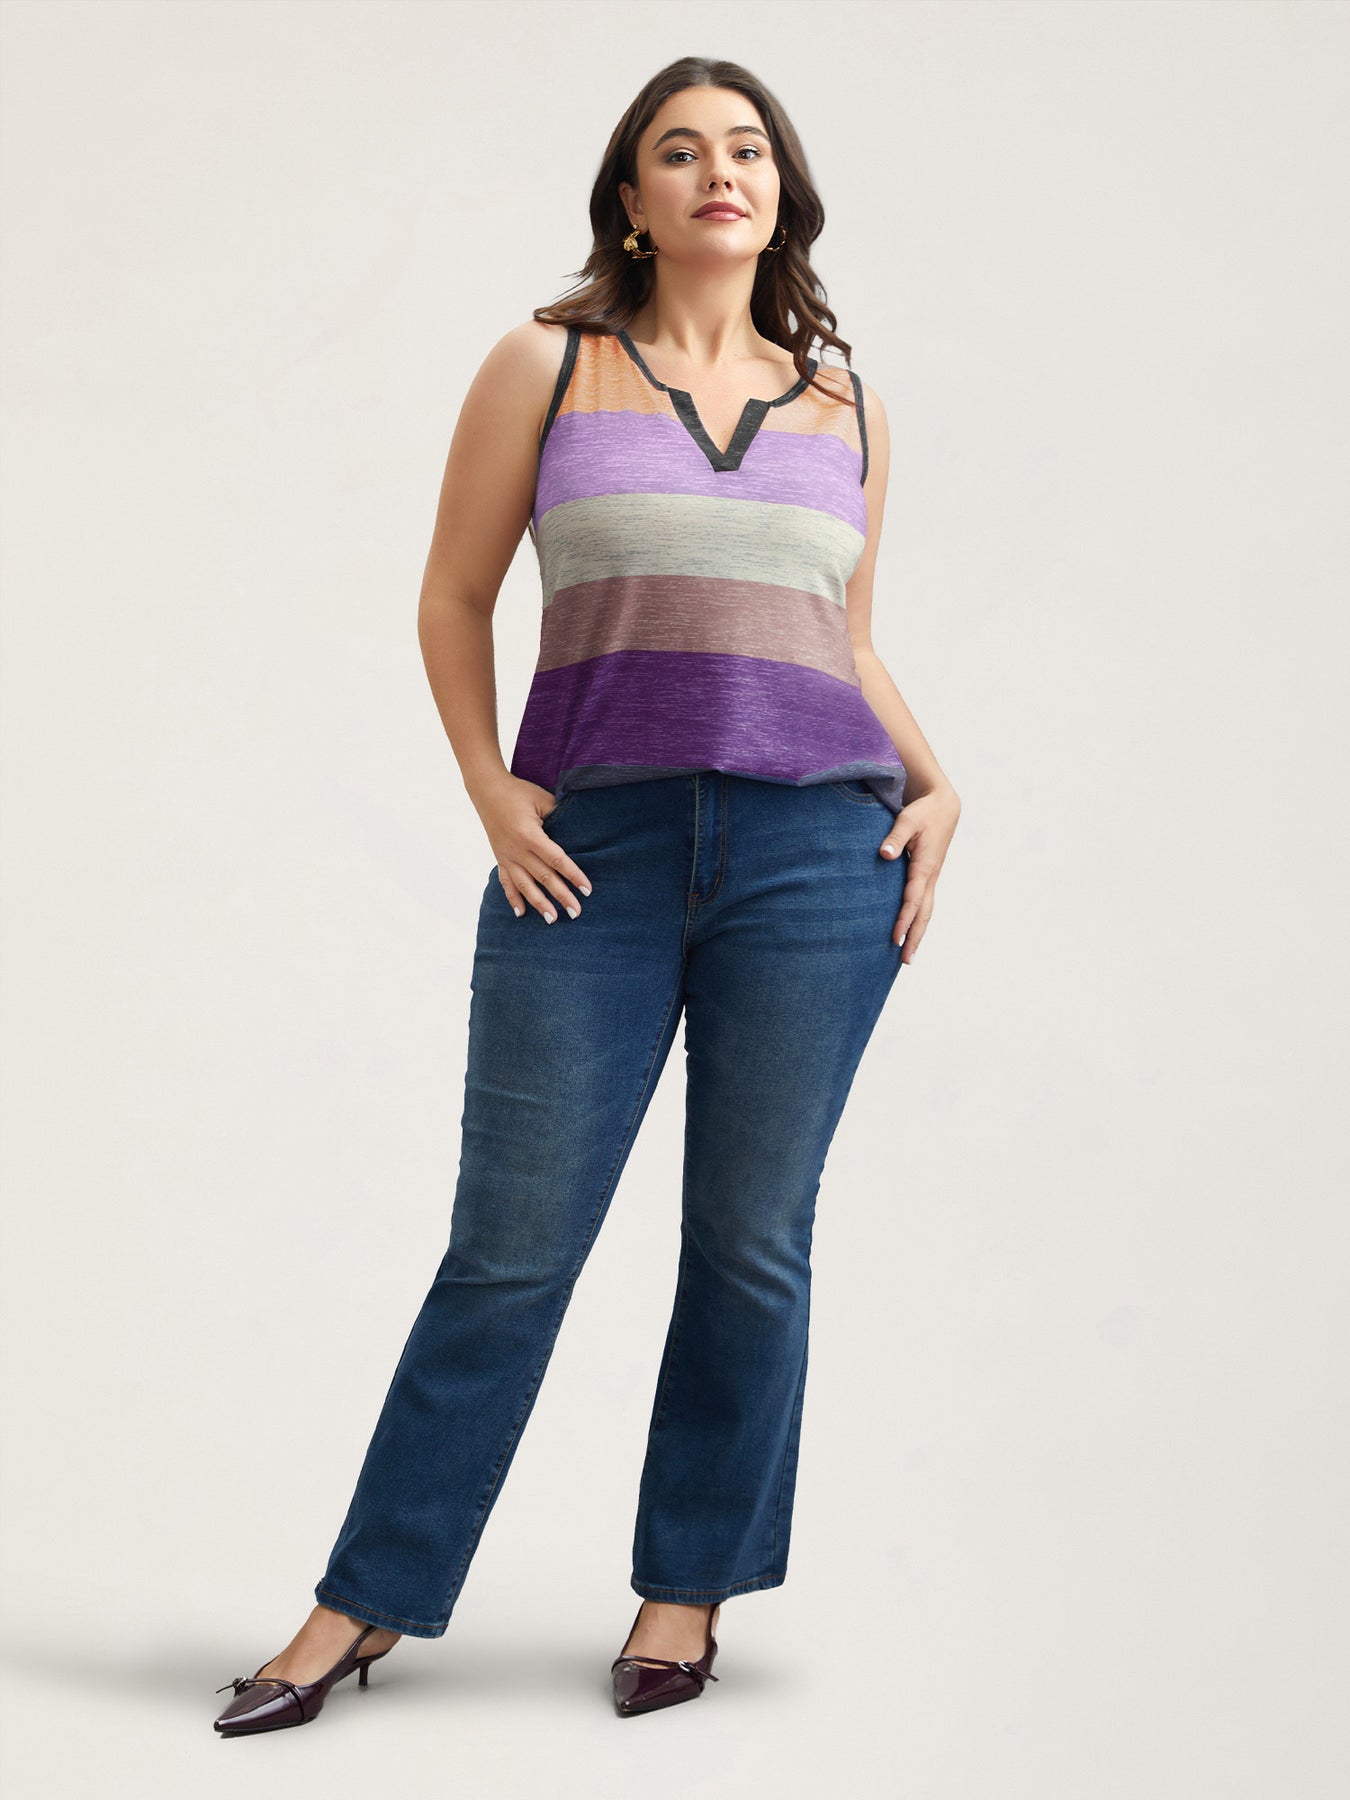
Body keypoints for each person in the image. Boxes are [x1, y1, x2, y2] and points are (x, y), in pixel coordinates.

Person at [213, 54, 961, 1736]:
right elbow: (452, 594)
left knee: (751, 1244)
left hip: (811, 861)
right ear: (630, 200)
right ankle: (362, 1602)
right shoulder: (545, 365)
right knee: (510, 1247)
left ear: (781, 192)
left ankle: (685, 1593)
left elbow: (842, 640)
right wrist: (491, 790)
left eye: (745, 148)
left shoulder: (845, 405)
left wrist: (937, 783)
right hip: (592, 857)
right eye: (678, 151)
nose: (717, 171)